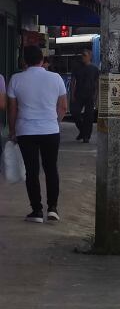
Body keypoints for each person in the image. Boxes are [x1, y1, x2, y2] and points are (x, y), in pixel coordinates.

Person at [8, 46, 68, 223]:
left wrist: (12, 131)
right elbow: (63, 106)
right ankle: (53, 209)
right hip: (50, 130)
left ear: (24, 61)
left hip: (26, 131)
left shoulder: (16, 79)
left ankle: (36, 210)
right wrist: (54, 122)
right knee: (51, 169)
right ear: (42, 60)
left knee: (32, 171)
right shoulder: (56, 78)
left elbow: (12, 110)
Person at [70, 49, 99, 143]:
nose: (83, 57)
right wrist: (72, 94)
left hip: (90, 95)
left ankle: (86, 136)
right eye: (82, 55)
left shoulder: (94, 69)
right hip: (79, 94)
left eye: (85, 55)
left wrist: (96, 96)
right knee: (75, 112)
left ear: (89, 57)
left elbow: (97, 83)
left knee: (89, 116)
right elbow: (73, 81)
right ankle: (82, 131)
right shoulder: (77, 67)